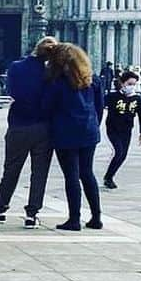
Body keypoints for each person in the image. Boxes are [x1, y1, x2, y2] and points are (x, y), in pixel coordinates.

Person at [0, 37, 58, 228]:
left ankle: (0, 209)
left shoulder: (16, 67)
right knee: (39, 173)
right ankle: (32, 214)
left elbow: (11, 91)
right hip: (43, 128)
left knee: (11, 169)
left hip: (18, 125)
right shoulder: (52, 73)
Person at [46, 42, 104, 231]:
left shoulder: (57, 82)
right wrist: (93, 124)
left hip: (65, 132)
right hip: (89, 131)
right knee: (87, 173)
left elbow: (47, 107)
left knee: (71, 174)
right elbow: (100, 107)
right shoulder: (92, 80)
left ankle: (74, 219)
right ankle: (96, 217)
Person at [103, 69, 141, 189]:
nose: (131, 87)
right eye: (129, 84)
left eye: (134, 84)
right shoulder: (113, 97)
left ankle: (109, 176)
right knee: (118, 152)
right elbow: (98, 104)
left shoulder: (137, 100)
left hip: (127, 130)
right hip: (113, 129)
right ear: (123, 83)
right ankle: (108, 178)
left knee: (123, 155)